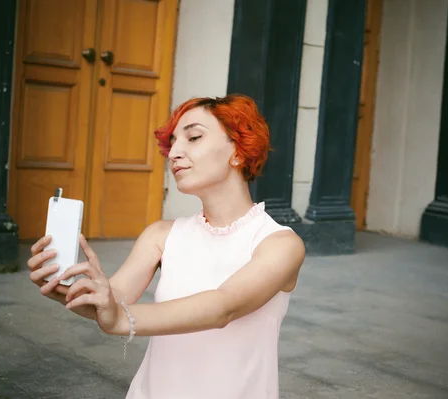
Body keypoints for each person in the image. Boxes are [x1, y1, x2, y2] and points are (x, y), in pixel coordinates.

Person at [26, 94, 306, 399]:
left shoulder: (280, 243)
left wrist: (123, 319)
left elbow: (224, 306)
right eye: (172, 143)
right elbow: (113, 301)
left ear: (238, 152)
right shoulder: (161, 235)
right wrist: (71, 290)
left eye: (194, 137)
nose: (174, 153)